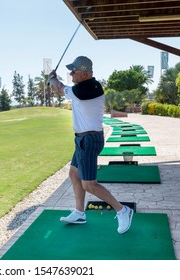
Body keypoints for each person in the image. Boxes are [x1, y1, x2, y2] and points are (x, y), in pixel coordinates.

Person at [48, 56, 133, 234]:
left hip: (89, 140)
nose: (71, 73)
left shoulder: (85, 89)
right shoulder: (87, 86)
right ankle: (79, 212)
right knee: (73, 173)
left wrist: (53, 78)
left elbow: (59, 89)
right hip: (82, 139)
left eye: (74, 71)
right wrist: (54, 80)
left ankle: (122, 210)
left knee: (89, 184)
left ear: (85, 73)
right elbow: (61, 88)